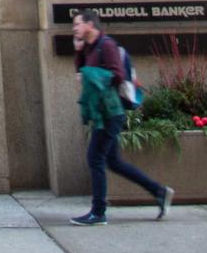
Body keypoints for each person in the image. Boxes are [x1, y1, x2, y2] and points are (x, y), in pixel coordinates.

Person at [70, 12, 173, 226]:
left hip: (111, 112)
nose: (74, 29)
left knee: (95, 158)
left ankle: (98, 212)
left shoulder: (106, 45)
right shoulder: (90, 46)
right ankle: (159, 191)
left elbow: (116, 74)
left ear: (90, 24)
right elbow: (81, 71)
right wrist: (79, 52)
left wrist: (92, 75)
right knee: (113, 162)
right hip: (103, 112)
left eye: (78, 24)